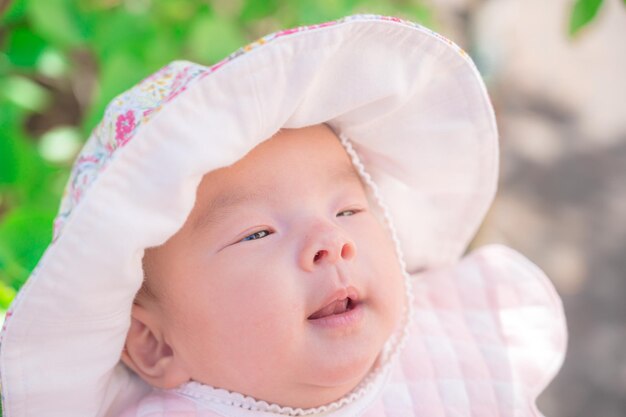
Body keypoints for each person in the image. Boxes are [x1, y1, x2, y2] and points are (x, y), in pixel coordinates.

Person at [0, 15, 567, 417]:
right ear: (154, 344)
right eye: (257, 233)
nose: (331, 241)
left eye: (348, 208)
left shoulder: (465, 333)